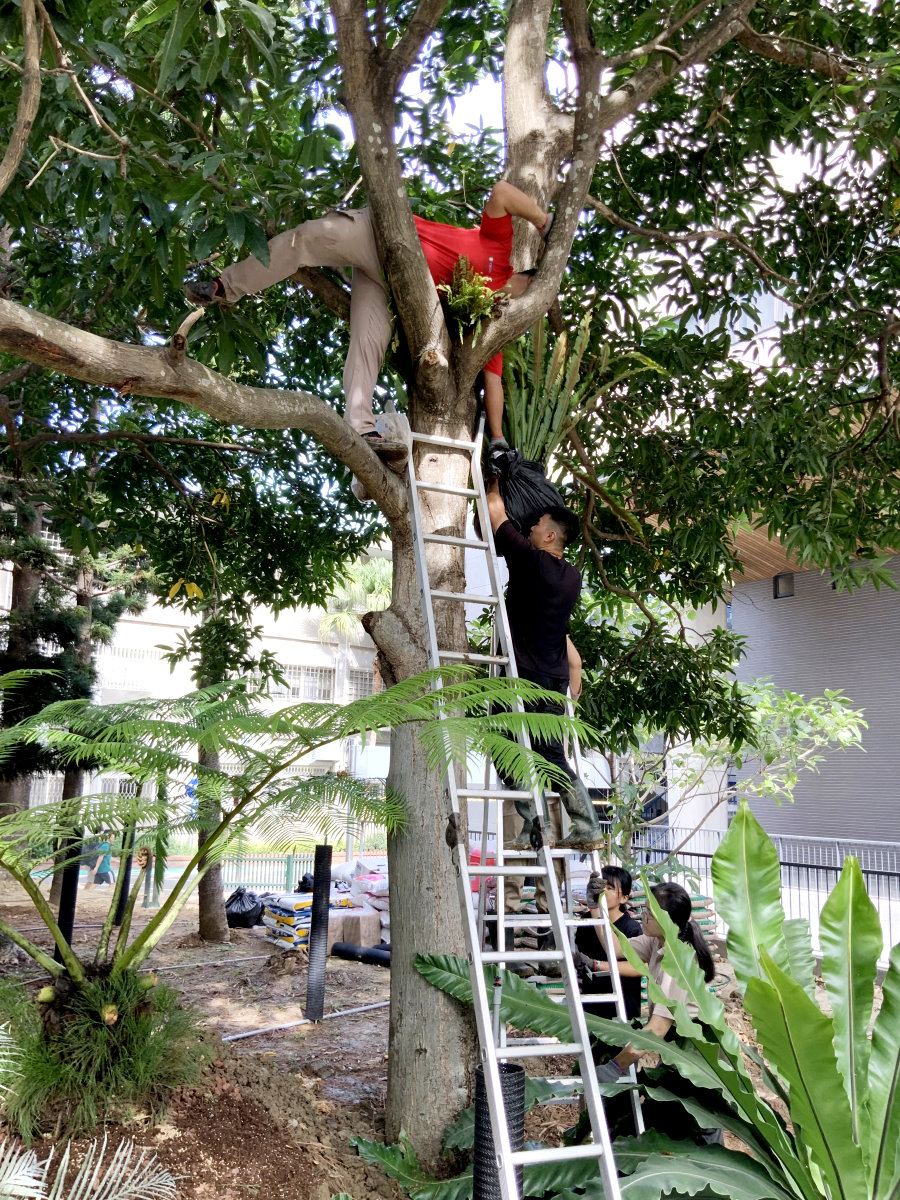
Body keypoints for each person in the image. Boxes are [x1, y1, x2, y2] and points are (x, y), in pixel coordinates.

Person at [184, 181, 551, 447]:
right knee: (308, 237)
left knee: (368, 343)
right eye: (527, 295)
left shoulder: (489, 322)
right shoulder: (500, 247)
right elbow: (503, 191)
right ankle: (224, 287)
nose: (519, 305)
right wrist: (544, 222)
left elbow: (494, 384)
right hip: (381, 236)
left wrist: (499, 439)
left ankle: (360, 426)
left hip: (386, 285)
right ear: (524, 277)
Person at [485, 478, 605, 853]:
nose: (531, 527)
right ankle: (586, 826)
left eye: (538, 524)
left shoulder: (530, 561)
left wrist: (492, 480)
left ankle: (534, 825)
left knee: (504, 748)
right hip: (553, 679)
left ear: (550, 536)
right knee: (552, 755)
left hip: (521, 677)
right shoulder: (572, 577)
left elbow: (494, 512)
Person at [573, 866, 643, 1021]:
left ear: (624, 898)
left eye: (609, 888)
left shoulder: (631, 929)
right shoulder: (586, 921)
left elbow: (638, 968)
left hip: (623, 1008)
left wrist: (596, 965)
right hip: (591, 1006)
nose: (602, 891)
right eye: (600, 886)